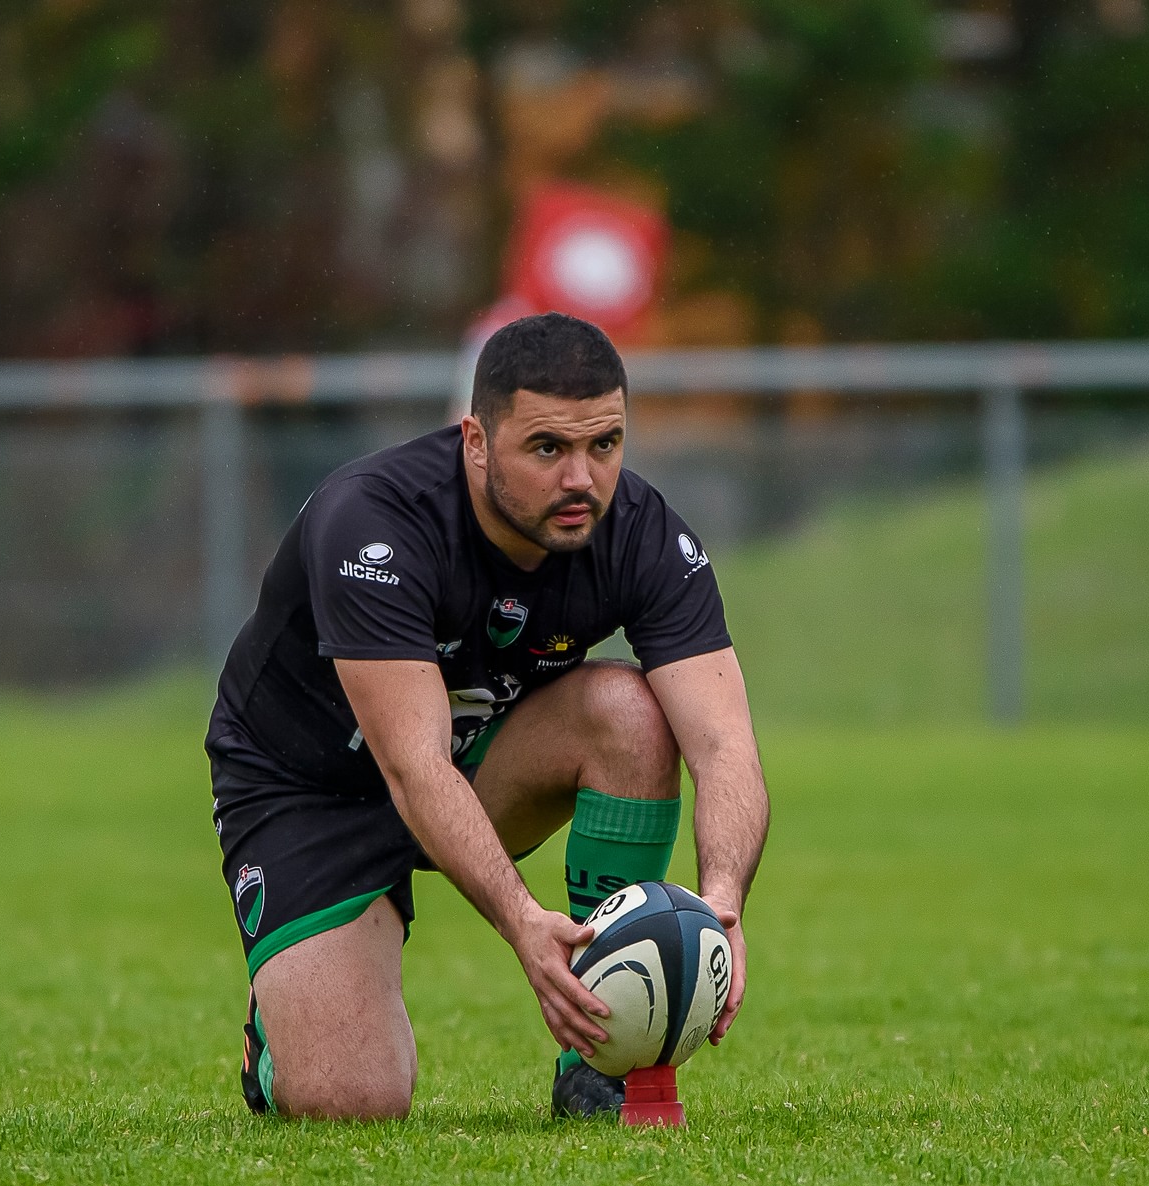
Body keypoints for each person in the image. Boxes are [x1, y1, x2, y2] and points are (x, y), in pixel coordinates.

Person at [204, 312, 767, 1120]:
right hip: (312, 789)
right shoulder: (373, 524)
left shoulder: (642, 535)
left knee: (632, 714)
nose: (582, 478)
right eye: (547, 448)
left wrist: (723, 899)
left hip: (474, 763)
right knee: (349, 1100)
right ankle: (279, 1030)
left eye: (604, 445)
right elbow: (412, 766)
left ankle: (598, 1056)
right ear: (475, 439)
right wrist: (520, 923)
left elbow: (724, 744)